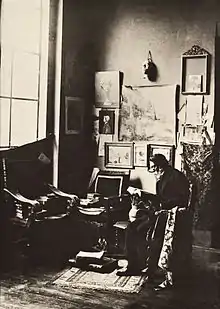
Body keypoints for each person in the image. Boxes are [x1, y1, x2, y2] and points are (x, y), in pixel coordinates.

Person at [117, 154, 191, 290]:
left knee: (150, 234)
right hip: (158, 213)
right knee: (132, 227)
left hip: (170, 217)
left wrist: (161, 206)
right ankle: (133, 265)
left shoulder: (176, 177)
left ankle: (152, 268)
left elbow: (181, 200)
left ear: (159, 167)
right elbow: (160, 198)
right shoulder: (162, 177)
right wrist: (145, 197)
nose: (152, 171)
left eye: (152, 168)